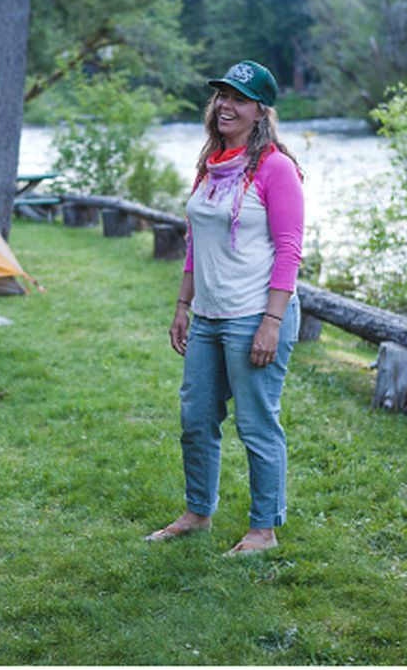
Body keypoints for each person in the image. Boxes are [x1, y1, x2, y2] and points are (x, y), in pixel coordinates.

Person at [147, 59, 305, 556]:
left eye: (238, 98)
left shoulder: (276, 168)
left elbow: (290, 248)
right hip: (210, 316)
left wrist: (271, 322)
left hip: (254, 314)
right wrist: (182, 305)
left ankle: (264, 530)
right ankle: (198, 513)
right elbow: (197, 241)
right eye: (221, 96)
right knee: (195, 418)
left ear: (261, 110)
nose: (225, 105)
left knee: (256, 423)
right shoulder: (212, 166)